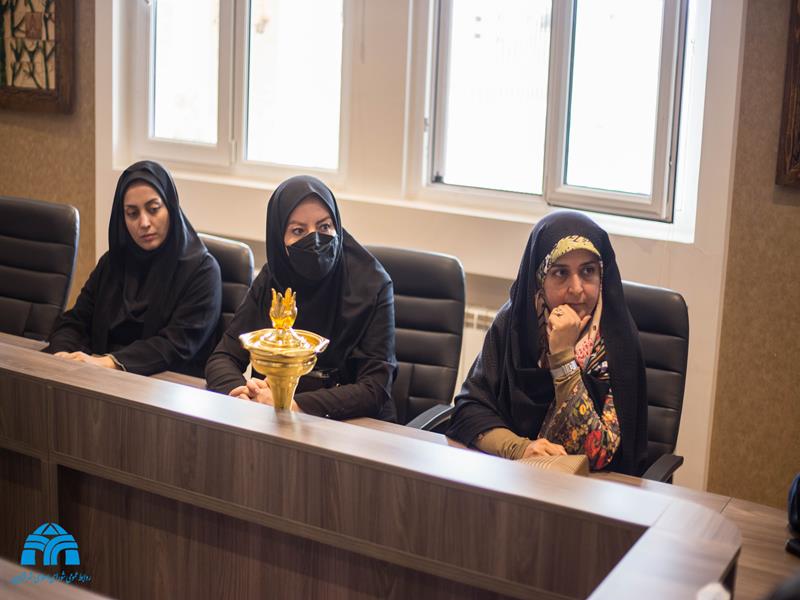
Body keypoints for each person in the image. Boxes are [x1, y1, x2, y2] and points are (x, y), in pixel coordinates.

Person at [446, 211, 647, 475]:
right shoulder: (513, 324)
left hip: (593, 490)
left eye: (588, 271)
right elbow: (468, 410)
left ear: (602, 275)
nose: (576, 288)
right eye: (560, 272)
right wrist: (519, 448)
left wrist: (563, 358)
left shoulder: (616, 342)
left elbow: (598, 456)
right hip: (512, 477)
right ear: (539, 278)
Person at [205, 175, 397, 421]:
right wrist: (241, 394)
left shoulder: (372, 284)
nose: (314, 240)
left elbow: (375, 388)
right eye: (298, 230)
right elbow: (223, 357)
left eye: (324, 227)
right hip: (274, 417)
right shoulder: (274, 278)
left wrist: (290, 404)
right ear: (279, 239)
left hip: (353, 424)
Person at [45, 161, 222, 376]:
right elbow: (75, 320)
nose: (144, 223)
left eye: (153, 209)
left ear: (171, 207)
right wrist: (61, 354)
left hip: (165, 386)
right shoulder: (112, 263)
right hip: (98, 377)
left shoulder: (202, 271)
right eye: (132, 213)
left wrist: (109, 363)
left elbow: (176, 345)